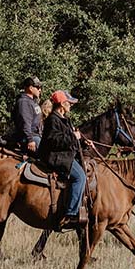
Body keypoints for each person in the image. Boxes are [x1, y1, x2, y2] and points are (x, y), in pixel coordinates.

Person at [39, 90, 94, 230]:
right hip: (54, 156)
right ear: (62, 104)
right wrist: (73, 137)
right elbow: (53, 141)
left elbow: (69, 140)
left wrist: (82, 142)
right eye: (69, 103)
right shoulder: (53, 120)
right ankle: (71, 214)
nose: (71, 106)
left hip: (63, 154)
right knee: (80, 177)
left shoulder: (64, 119)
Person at [5, 76, 44, 154]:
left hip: (36, 135)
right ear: (30, 88)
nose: (40, 90)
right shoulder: (24, 102)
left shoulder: (32, 102)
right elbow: (25, 122)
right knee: (47, 154)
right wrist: (30, 140)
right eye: (38, 87)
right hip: (29, 137)